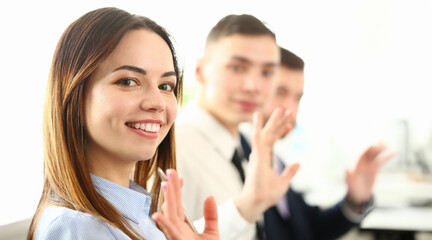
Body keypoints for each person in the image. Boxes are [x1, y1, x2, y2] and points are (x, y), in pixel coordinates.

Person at [27, 7, 219, 240]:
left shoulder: (143, 211)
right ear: (74, 95)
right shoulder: (79, 229)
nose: (157, 103)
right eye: (128, 81)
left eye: (165, 85)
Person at [240, 47, 394, 239]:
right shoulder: (236, 158)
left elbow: (310, 228)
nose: (291, 108)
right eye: (280, 92)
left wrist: (355, 200)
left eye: (297, 98)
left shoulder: (277, 162)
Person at [175, 14, 300, 240]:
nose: (253, 86)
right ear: (200, 70)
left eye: (267, 73)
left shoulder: (242, 146)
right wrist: (246, 207)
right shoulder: (173, 148)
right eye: (237, 68)